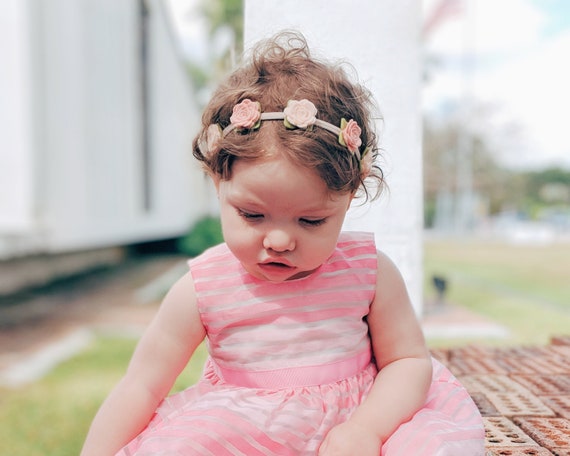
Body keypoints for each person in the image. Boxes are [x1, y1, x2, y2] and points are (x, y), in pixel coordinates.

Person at [81, 31, 484, 455]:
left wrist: (365, 431)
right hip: (242, 431)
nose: (278, 240)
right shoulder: (203, 289)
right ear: (218, 181)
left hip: (361, 418)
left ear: (350, 195)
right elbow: (142, 386)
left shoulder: (369, 273)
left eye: (311, 220)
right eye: (252, 215)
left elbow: (408, 362)